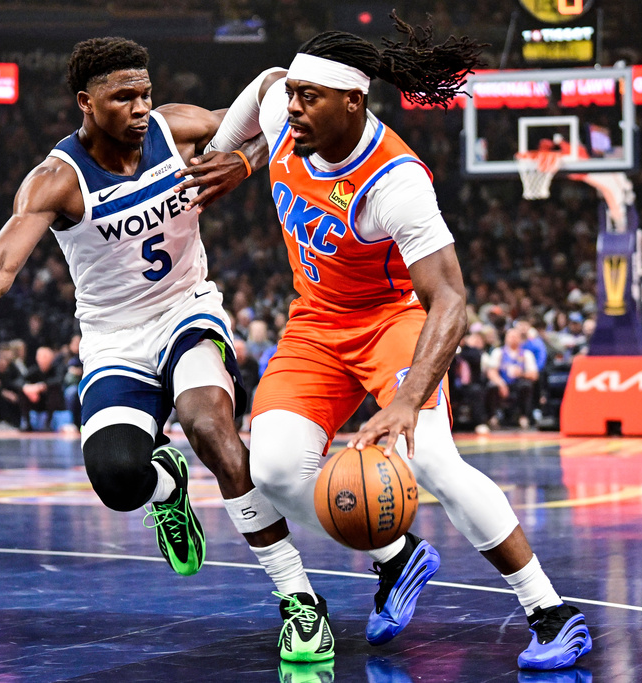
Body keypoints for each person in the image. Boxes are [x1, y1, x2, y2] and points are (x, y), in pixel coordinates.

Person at [181, 15, 590, 669]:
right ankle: (397, 557)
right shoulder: (283, 107)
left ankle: (551, 611)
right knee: (274, 471)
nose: (293, 106)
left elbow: (450, 300)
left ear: (352, 101)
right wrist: (239, 155)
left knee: (432, 461)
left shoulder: (397, 181)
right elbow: (265, 85)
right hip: (316, 323)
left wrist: (406, 401)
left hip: (391, 321)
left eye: (310, 97)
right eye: (294, 95)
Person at [0, 36, 306, 657]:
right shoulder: (57, 180)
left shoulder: (176, 127)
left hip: (187, 311)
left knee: (210, 427)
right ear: (86, 102)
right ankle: (165, 486)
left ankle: (297, 597)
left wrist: (247, 160)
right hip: (113, 339)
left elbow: (277, 110)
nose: (140, 108)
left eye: (145, 93)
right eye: (123, 97)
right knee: (116, 479)